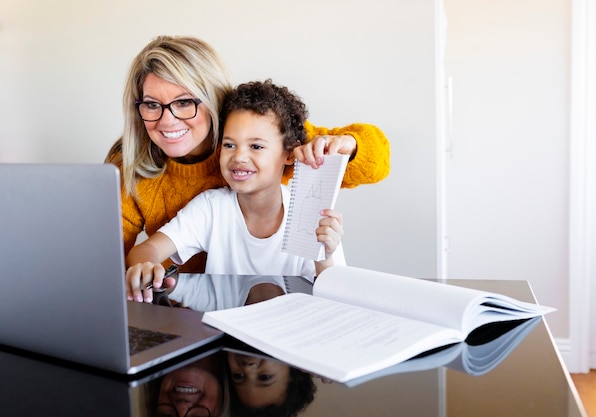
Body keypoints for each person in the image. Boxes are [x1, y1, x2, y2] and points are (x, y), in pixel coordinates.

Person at [105, 35, 390, 274]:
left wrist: (348, 145)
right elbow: (107, 257)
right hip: (190, 312)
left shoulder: (260, 130)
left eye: (184, 102)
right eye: (152, 104)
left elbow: (378, 161)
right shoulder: (133, 168)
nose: (167, 121)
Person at [125, 80, 345, 302]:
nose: (238, 157)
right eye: (230, 145)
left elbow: (336, 298)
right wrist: (146, 266)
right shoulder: (212, 208)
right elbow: (145, 251)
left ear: (289, 154)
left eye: (256, 146)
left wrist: (324, 256)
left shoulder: (311, 216)